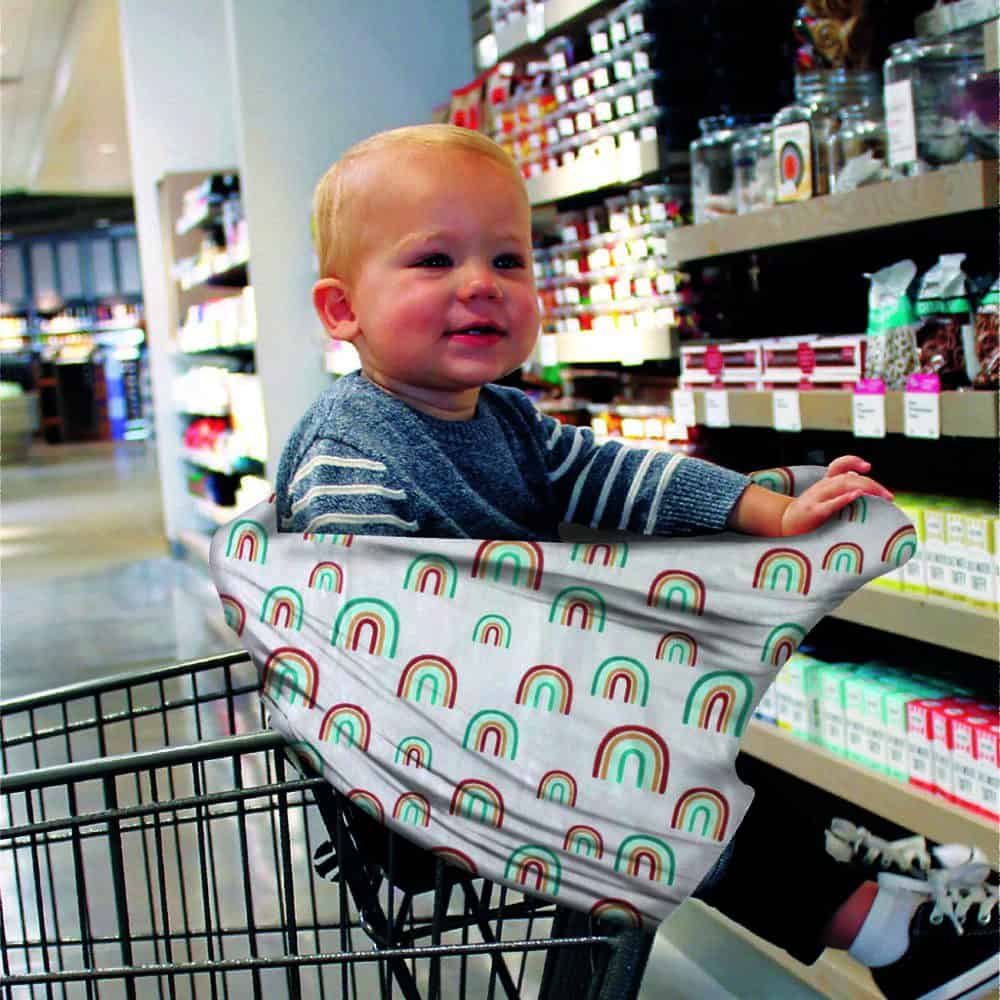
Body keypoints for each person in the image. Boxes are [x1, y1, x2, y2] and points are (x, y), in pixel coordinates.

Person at [275, 123, 998, 1000]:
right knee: (652, 783)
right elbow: (349, 621)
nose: (480, 286)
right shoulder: (353, 451)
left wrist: (767, 510)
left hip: (513, 730)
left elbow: (612, 473)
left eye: (508, 261)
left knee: (686, 733)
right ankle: (885, 932)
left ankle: (869, 871)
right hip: (416, 771)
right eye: (433, 261)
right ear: (341, 310)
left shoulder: (503, 420)